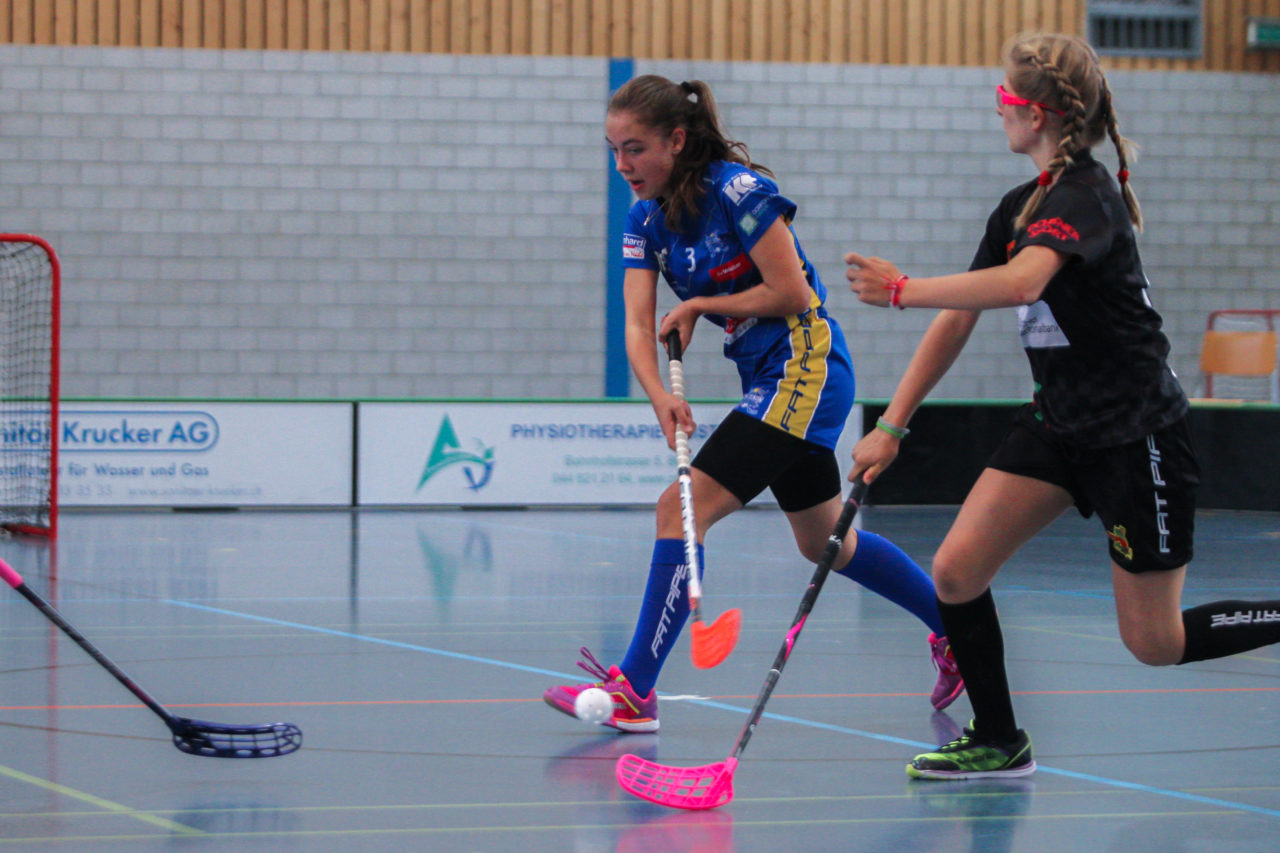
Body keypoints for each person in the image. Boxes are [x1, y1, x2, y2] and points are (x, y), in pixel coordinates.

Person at [846, 32, 1280, 780]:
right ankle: (999, 736)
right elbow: (961, 319)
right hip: (1058, 424)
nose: (998, 114)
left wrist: (901, 288)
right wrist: (892, 423)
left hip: (1136, 433)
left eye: (1003, 102)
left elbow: (1020, 285)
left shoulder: (1086, 194)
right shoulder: (1021, 204)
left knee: (1155, 641)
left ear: (1038, 113)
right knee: (954, 569)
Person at [542, 74, 964, 733]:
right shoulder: (643, 219)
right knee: (825, 539)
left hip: (806, 364)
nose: (622, 165)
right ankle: (954, 628)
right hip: (767, 377)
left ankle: (634, 692)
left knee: (679, 511)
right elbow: (636, 322)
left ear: (676, 141)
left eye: (635, 148)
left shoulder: (738, 192)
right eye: (613, 150)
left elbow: (793, 293)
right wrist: (658, 396)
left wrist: (704, 304)